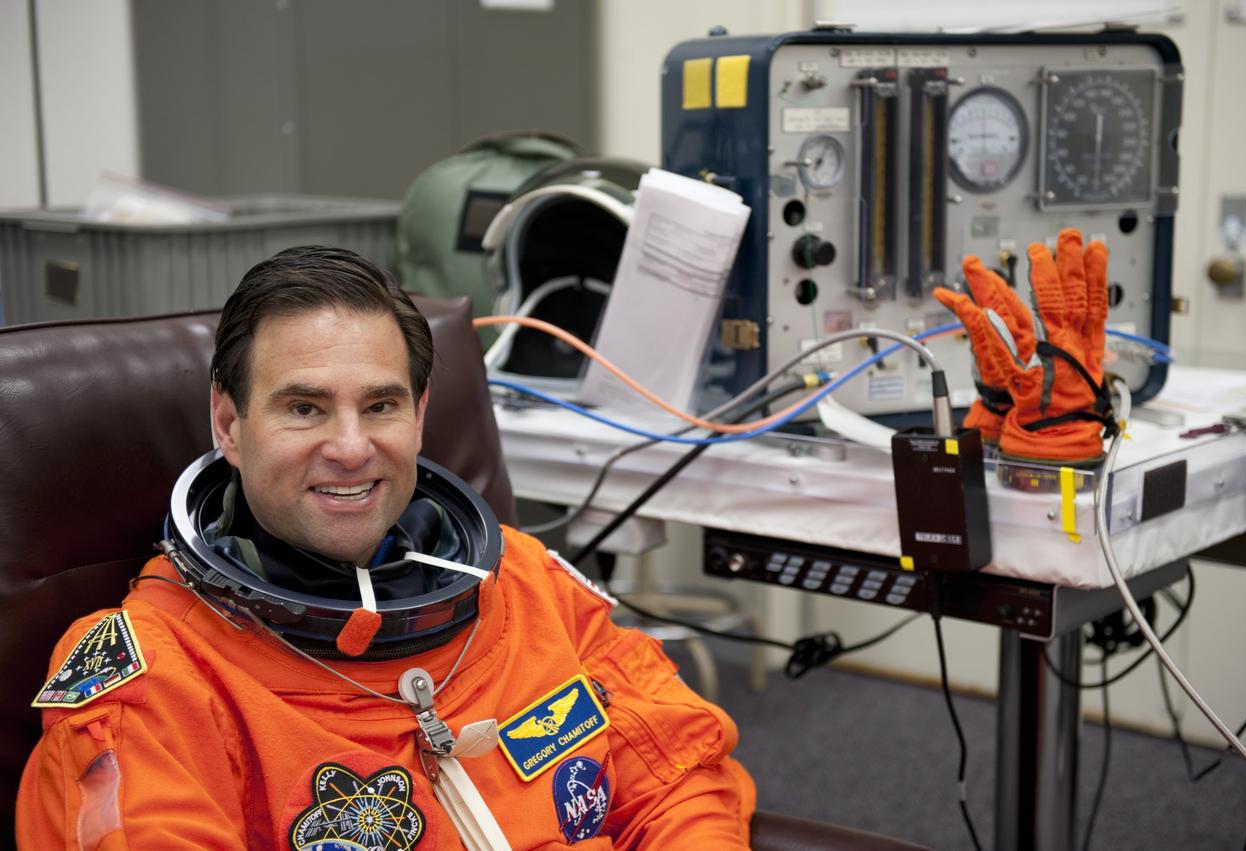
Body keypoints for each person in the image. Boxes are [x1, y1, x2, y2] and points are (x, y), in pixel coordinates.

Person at [16, 246, 756, 850]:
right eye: (304, 407)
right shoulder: (153, 682)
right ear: (229, 422)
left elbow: (678, 775)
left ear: (421, 415)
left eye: (381, 405)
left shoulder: (524, 583)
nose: (350, 446)